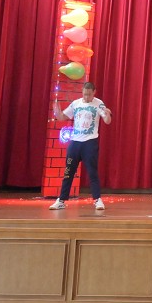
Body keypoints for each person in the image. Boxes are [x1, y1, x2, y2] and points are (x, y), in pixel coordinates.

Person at [48, 81, 112, 210]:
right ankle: (61, 200)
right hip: (75, 142)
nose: (86, 97)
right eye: (84, 94)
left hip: (90, 142)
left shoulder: (98, 103)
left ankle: (97, 199)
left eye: (89, 94)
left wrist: (108, 114)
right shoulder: (76, 104)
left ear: (94, 92)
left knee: (92, 172)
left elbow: (107, 121)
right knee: (68, 171)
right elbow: (62, 117)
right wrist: (57, 113)